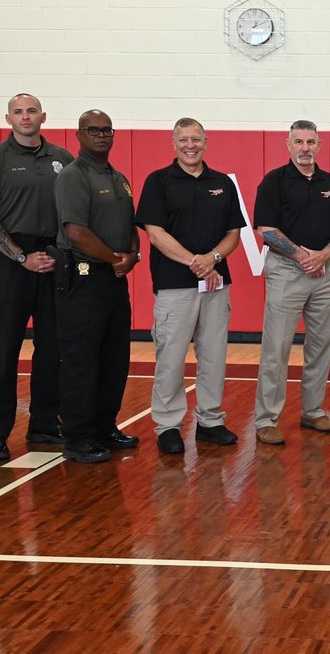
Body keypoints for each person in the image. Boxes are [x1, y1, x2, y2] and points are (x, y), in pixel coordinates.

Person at [0, 93, 73, 461]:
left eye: (31, 111)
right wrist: (21, 257)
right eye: (18, 112)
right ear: (8, 118)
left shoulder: (63, 158)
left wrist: (57, 257)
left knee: (52, 349)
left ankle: (44, 423)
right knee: (5, 351)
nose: (25, 117)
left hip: (53, 258)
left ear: (43, 116)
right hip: (11, 263)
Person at [134, 118, 246, 455]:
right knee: (171, 358)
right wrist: (195, 263)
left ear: (206, 141)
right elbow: (155, 233)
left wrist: (211, 258)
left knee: (214, 357)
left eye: (196, 139)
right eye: (183, 140)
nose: (190, 145)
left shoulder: (222, 183)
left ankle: (210, 421)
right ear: (174, 142)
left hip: (215, 285)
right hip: (174, 287)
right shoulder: (158, 181)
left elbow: (233, 234)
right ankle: (168, 425)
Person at [253, 120, 330, 446]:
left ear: (319, 145)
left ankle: (312, 410)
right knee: (277, 348)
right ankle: (267, 420)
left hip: (324, 273)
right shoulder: (274, 182)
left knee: (321, 344)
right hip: (286, 271)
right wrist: (302, 257)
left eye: (311, 142)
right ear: (288, 144)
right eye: (299, 141)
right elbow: (266, 230)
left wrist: (323, 255)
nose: (305, 148)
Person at [53, 109, 139, 464]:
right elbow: (76, 232)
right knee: (81, 360)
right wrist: (115, 259)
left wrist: (132, 254)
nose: (101, 135)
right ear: (79, 135)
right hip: (84, 279)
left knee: (114, 358)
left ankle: (105, 426)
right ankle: (78, 436)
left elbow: (130, 226)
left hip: (114, 280)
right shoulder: (74, 177)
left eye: (107, 130)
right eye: (94, 130)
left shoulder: (118, 178)